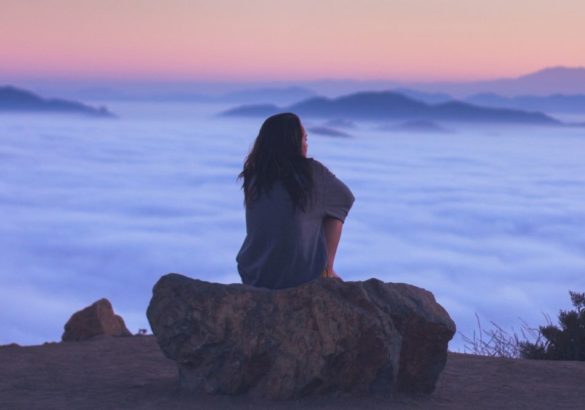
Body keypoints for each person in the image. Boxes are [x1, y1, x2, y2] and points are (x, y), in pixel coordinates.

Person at [236, 112, 355, 289]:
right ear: (292, 142)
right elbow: (346, 197)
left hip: (254, 273)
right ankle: (327, 270)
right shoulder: (312, 173)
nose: (306, 145)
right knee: (333, 209)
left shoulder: (253, 175)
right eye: (304, 139)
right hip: (299, 277)